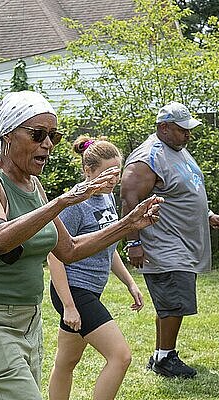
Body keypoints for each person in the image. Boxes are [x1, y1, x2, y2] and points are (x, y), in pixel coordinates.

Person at [0, 90, 163, 400]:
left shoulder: (33, 185)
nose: (47, 144)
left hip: (27, 319)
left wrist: (128, 224)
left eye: (53, 135)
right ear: (9, 134)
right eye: (38, 134)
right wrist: (64, 201)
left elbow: (69, 249)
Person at [121, 101, 219, 379]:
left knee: (171, 302)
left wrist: (208, 213)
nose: (187, 135)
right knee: (174, 301)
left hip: (181, 241)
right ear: (163, 128)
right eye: (182, 130)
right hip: (163, 242)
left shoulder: (177, 150)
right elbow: (129, 199)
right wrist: (133, 242)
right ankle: (166, 358)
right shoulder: (148, 157)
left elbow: (186, 189)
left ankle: (160, 354)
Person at [47, 136, 144, 400]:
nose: (113, 179)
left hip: (90, 290)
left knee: (66, 363)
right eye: (107, 172)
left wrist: (130, 283)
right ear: (88, 171)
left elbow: (105, 245)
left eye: (117, 172)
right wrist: (68, 305)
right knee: (120, 356)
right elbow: (54, 255)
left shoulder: (106, 198)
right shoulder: (75, 203)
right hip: (74, 291)